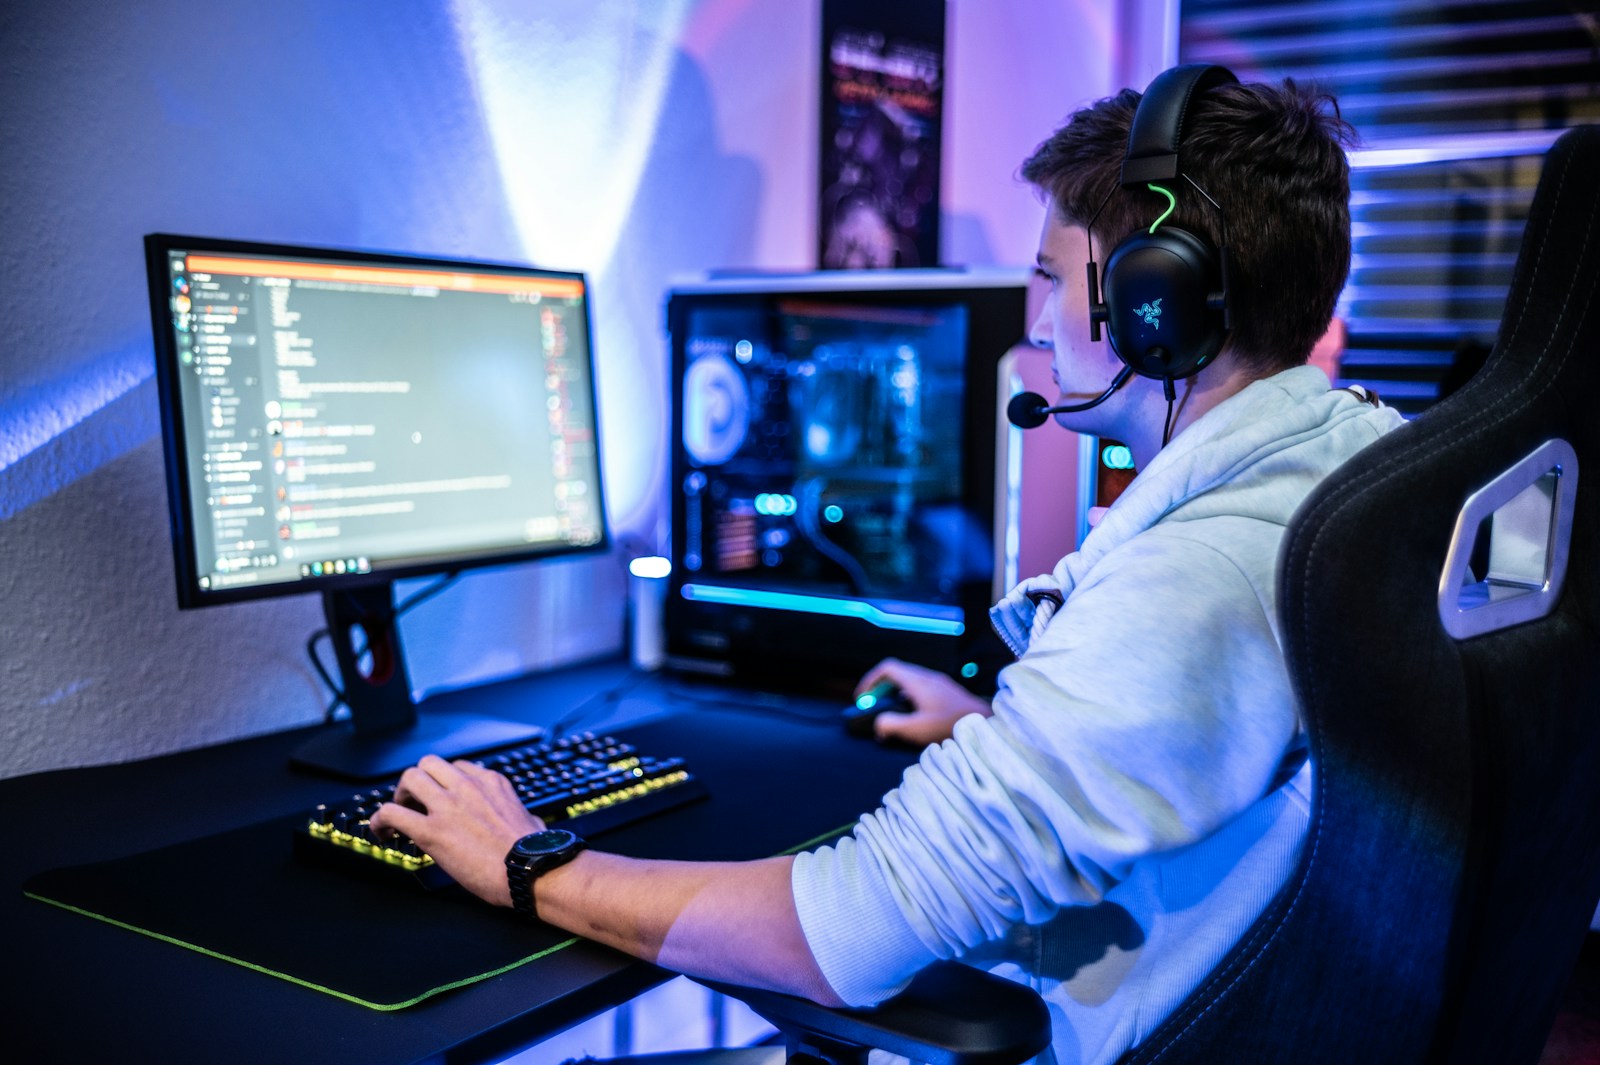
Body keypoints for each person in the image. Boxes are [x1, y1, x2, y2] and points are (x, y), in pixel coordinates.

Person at [370, 69, 1404, 1063]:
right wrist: (998, 733)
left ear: (1156, 303)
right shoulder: (1355, 465)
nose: (1038, 325)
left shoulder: (1191, 579)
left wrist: (526, 861)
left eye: (1049, 276)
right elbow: (1201, 738)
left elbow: (828, 942)